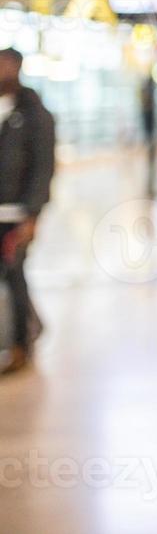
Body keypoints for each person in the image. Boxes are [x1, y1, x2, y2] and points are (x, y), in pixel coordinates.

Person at [0, 48, 55, 376]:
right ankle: (32, 325)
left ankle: (23, 343)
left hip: (17, 214)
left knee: (15, 274)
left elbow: (43, 166)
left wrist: (33, 214)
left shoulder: (34, 113)